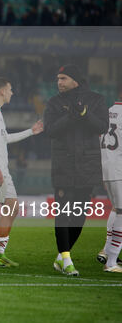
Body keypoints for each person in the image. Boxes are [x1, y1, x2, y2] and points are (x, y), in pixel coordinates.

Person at [44, 65, 108, 276]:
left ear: (76, 80)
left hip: (87, 166)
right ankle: (67, 259)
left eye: (63, 78)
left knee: (79, 216)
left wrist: (84, 113)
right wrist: (70, 117)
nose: (59, 82)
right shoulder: (54, 102)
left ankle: (62, 256)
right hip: (63, 165)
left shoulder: (97, 100)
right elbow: (50, 131)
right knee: (62, 214)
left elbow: (102, 127)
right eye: (58, 78)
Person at [0, 77, 43, 268]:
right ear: (2, 91)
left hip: (0, 168)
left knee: (12, 206)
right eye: (10, 89)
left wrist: (31, 131)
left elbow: (3, 139)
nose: (12, 93)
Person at [97, 86, 122, 273]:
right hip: (119, 168)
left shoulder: (106, 113)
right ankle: (112, 261)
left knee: (117, 207)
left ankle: (106, 250)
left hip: (106, 166)